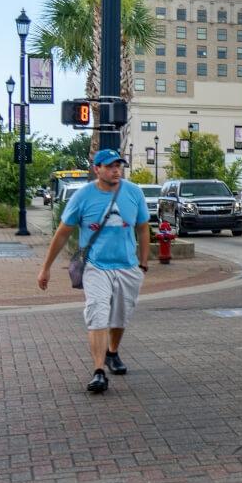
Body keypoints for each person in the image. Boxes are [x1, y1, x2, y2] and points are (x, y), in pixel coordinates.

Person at [37, 149, 151, 394]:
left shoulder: (133, 193)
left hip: (127, 267)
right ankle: (99, 371)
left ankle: (113, 353)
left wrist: (143, 264)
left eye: (119, 166)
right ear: (97, 168)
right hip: (95, 266)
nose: (116, 170)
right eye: (110, 166)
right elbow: (63, 233)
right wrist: (45, 268)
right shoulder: (82, 197)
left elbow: (143, 228)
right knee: (98, 314)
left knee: (120, 316)